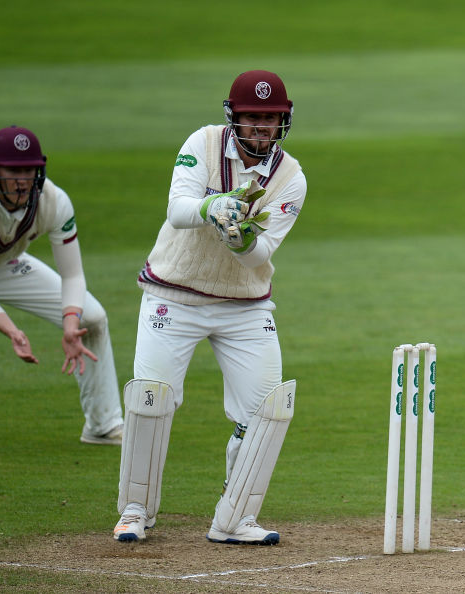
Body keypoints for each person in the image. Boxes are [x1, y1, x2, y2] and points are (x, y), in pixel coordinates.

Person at [112, 70, 305, 545]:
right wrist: (213, 207)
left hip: (244, 305)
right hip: (173, 294)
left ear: (283, 121)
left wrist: (240, 240)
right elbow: (178, 209)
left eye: (270, 118)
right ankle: (135, 512)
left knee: (269, 409)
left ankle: (235, 518)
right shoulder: (202, 142)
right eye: (252, 117)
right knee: (151, 399)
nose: (261, 127)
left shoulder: (291, 178)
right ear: (233, 116)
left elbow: (262, 254)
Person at [0, 125, 124, 445]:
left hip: (0, 265)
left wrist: (70, 326)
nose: (22, 180)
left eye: (28, 170)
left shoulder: (53, 201)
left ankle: (103, 425)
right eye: (13, 171)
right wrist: (13, 331)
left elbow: (73, 276)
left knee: (91, 317)